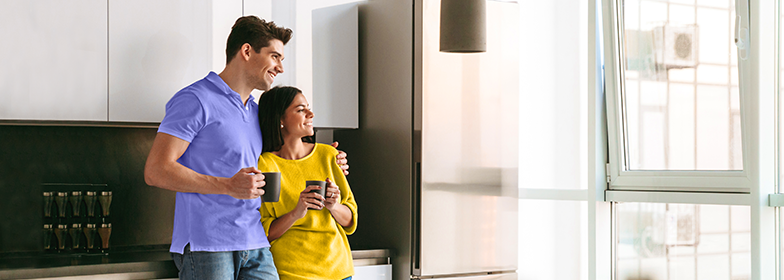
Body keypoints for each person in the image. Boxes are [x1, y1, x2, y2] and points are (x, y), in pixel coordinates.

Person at [144, 16, 349, 280]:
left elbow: (283, 153)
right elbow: (156, 170)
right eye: (275, 57)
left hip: (255, 241)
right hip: (207, 245)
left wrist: (329, 156)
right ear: (247, 51)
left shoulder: (255, 111)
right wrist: (227, 186)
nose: (280, 68)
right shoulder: (195, 99)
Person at [257, 86, 357, 280]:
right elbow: (265, 232)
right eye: (300, 109)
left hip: (339, 271)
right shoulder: (266, 164)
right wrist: (296, 212)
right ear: (280, 119)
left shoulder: (329, 156)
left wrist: (334, 206)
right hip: (292, 273)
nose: (311, 114)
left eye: (308, 108)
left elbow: (351, 221)